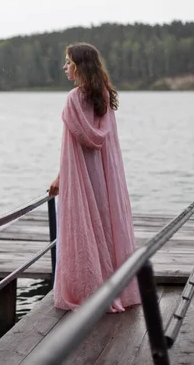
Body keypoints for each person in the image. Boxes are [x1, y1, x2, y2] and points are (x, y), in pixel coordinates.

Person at [48, 42, 141, 312]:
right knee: (108, 227)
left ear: (78, 66)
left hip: (82, 177)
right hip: (104, 176)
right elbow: (98, 140)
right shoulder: (104, 95)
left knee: (85, 228)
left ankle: (89, 289)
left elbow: (71, 149)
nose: (64, 67)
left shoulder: (74, 99)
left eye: (67, 62)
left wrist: (59, 178)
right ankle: (115, 287)